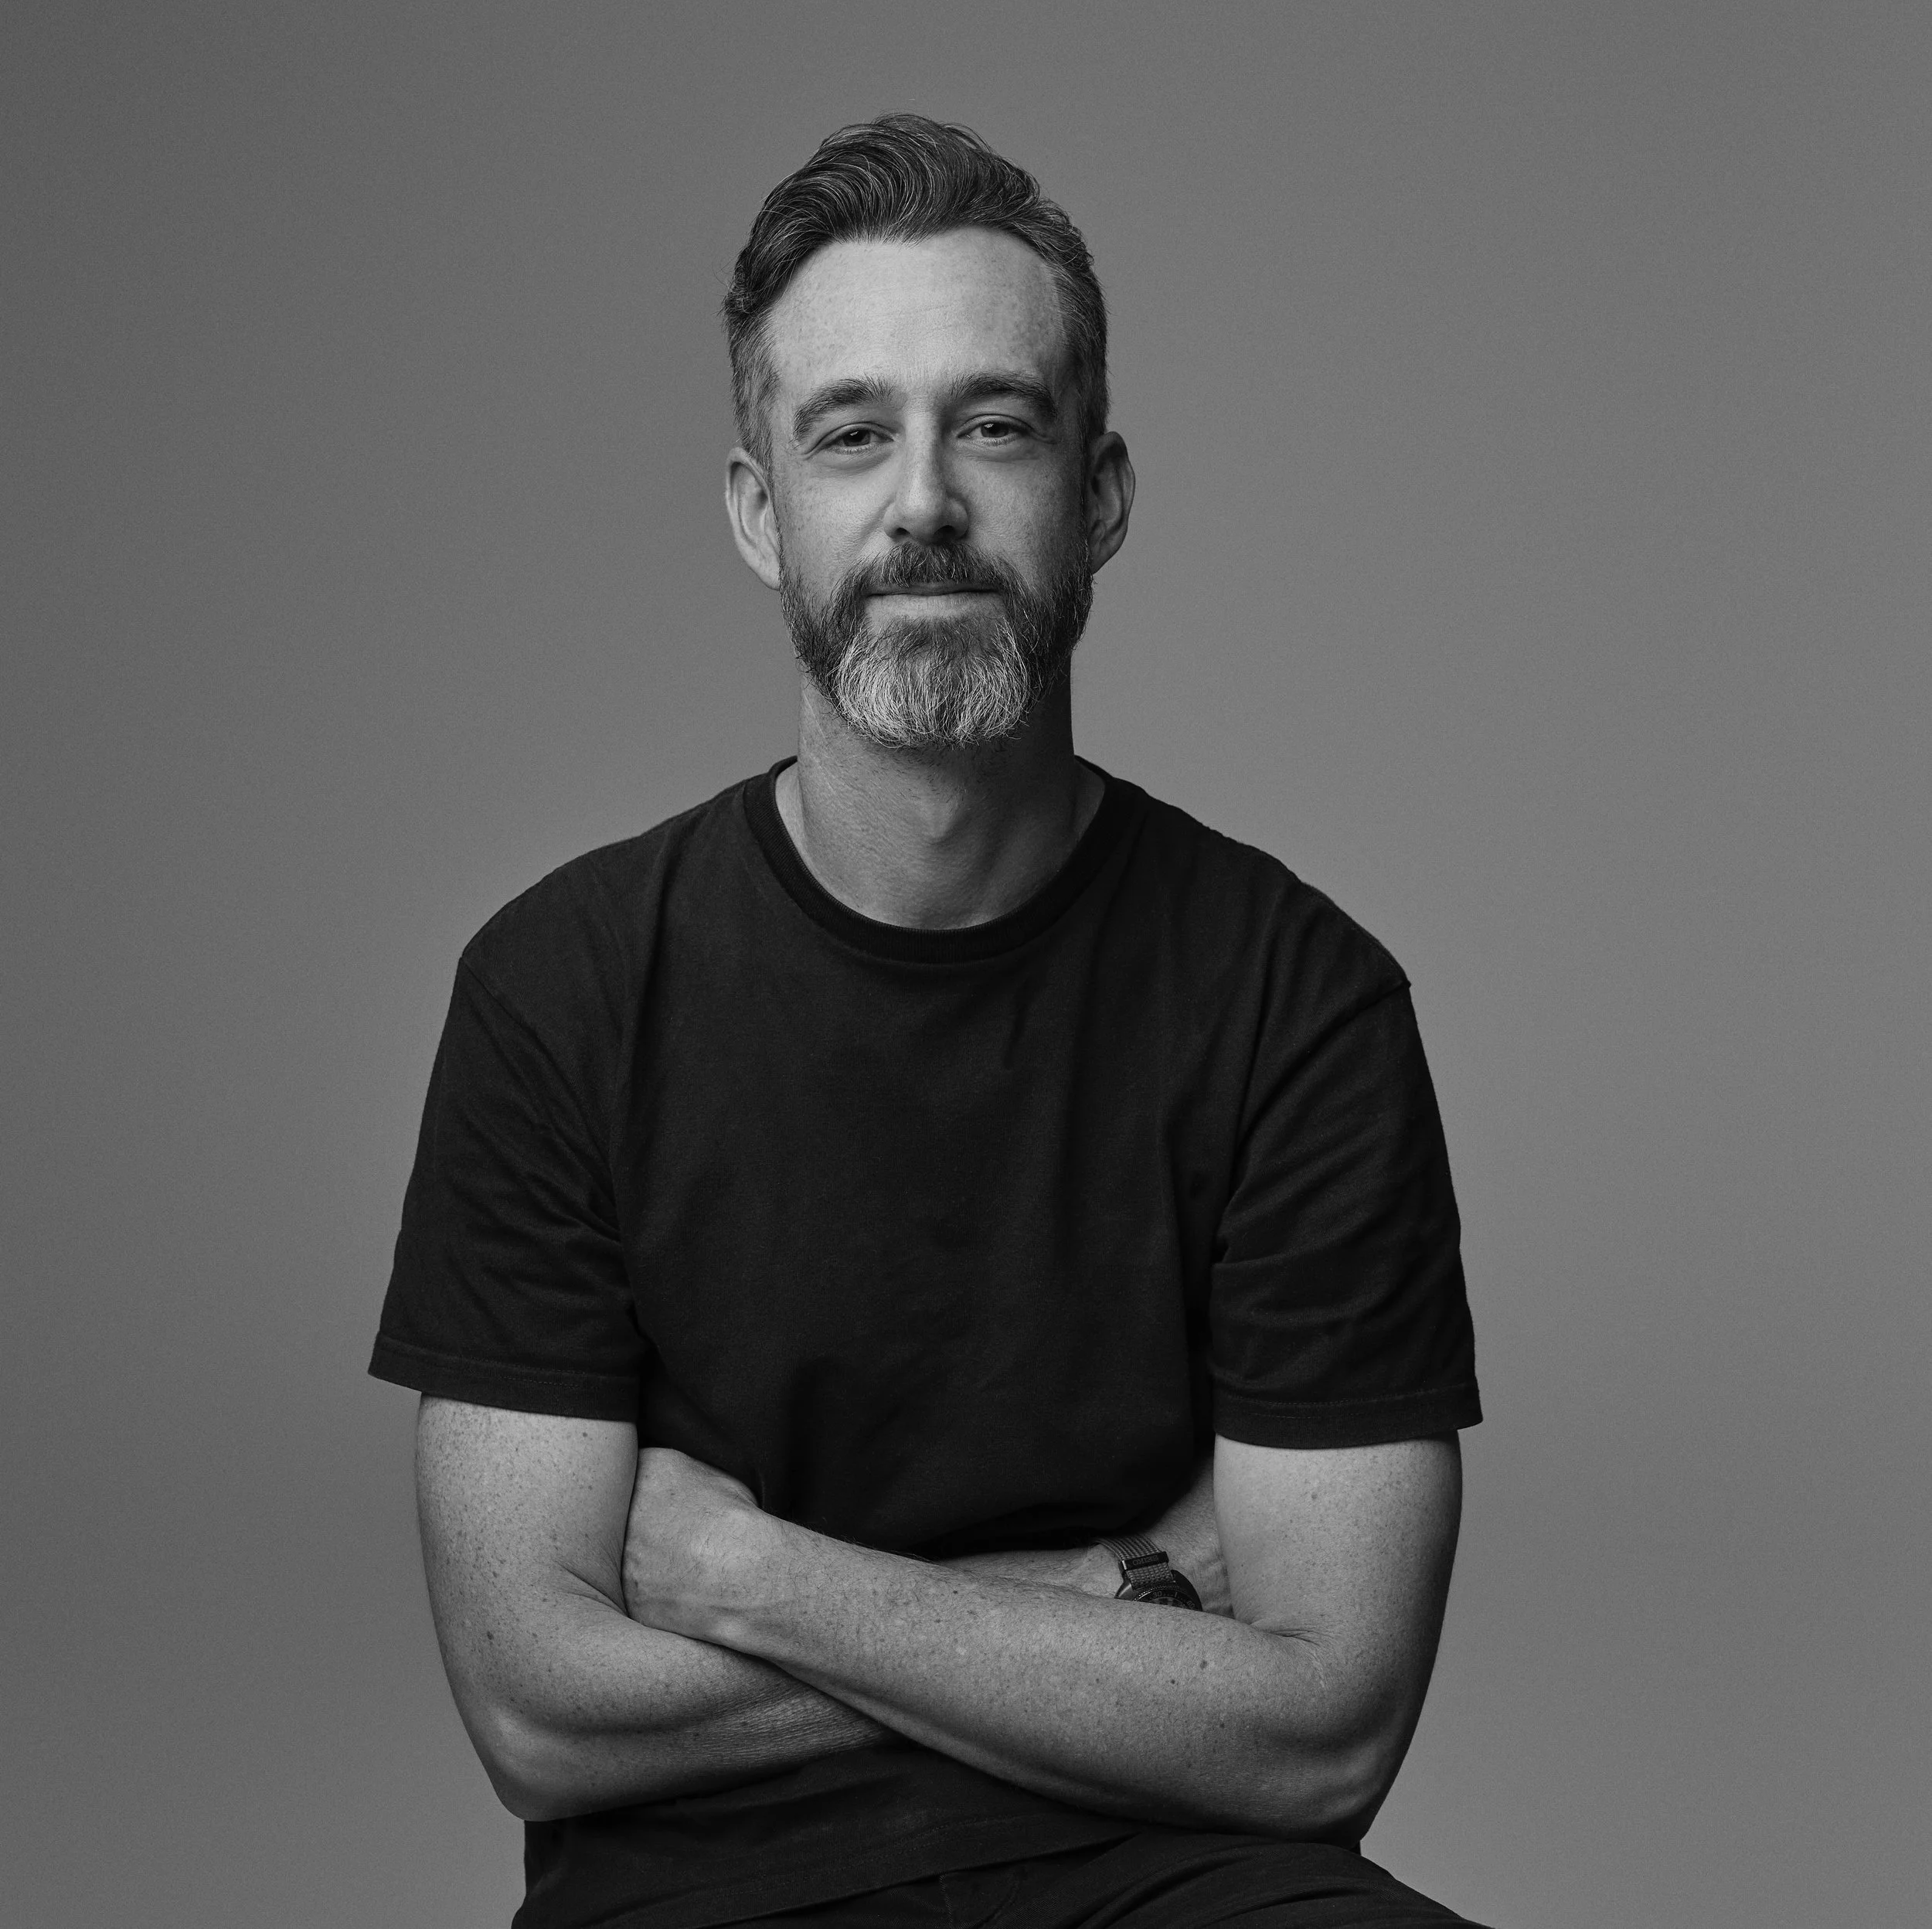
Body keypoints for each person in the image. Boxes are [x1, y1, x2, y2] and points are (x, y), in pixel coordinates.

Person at [370, 114, 1486, 1929]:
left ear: (1096, 494)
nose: (922, 504)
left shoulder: (1298, 1003)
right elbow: (538, 1708)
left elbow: (1319, 1729)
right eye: (849, 433)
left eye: (993, 424)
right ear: (760, 512)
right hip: (703, 1896)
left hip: (1179, 1874)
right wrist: (1112, 1598)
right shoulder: (557, 991)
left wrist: (752, 1575)